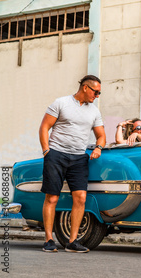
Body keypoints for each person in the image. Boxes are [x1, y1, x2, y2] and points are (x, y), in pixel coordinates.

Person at [39, 75, 106, 253]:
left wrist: (99, 147)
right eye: (96, 92)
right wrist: (47, 151)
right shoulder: (61, 103)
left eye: (99, 93)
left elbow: (101, 135)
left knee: (81, 198)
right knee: (52, 197)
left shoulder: (94, 111)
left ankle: (72, 241)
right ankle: (48, 239)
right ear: (85, 87)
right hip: (56, 155)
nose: (97, 96)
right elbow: (44, 127)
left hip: (78, 158)